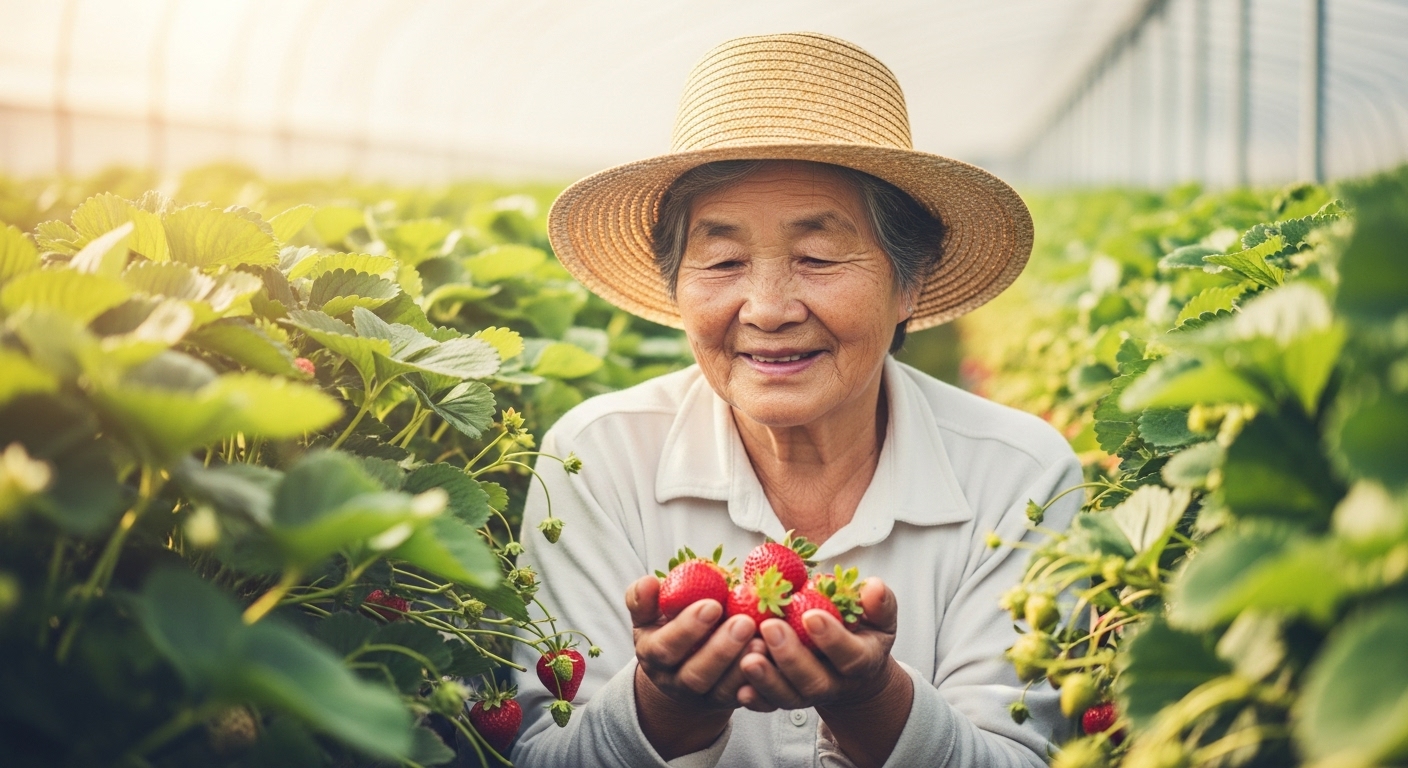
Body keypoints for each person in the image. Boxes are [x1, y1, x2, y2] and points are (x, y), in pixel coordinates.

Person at [510, 32, 1081, 768]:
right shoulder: (598, 457)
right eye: (722, 260)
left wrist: (873, 703)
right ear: (676, 285)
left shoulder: (1020, 474)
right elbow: (542, 754)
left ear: (910, 283)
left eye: (816, 258)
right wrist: (663, 708)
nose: (769, 308)